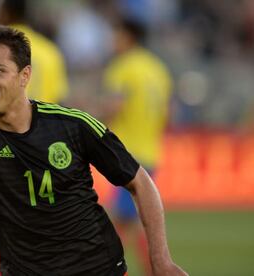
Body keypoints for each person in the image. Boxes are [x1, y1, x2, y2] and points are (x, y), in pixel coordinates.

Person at [0, 25, 187, 276]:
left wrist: (160, 261)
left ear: (25, 76)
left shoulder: (73, 125)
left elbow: (139, 181)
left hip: (97, 268)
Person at [0, 1, 70, 274]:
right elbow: (59, 105)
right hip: (41, 151)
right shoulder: (50, 52)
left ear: (5, 15)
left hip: (0, 147)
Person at [100, 17, 173, 275]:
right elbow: (167, 114)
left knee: (118, 224)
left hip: (126, 154)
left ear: (128, 36)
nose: (112, 40)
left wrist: (87, 122)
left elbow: (114, 106)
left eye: (116, 34)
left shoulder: (123, 67)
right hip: (150, 152)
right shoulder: (158, 69)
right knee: (133, 221)